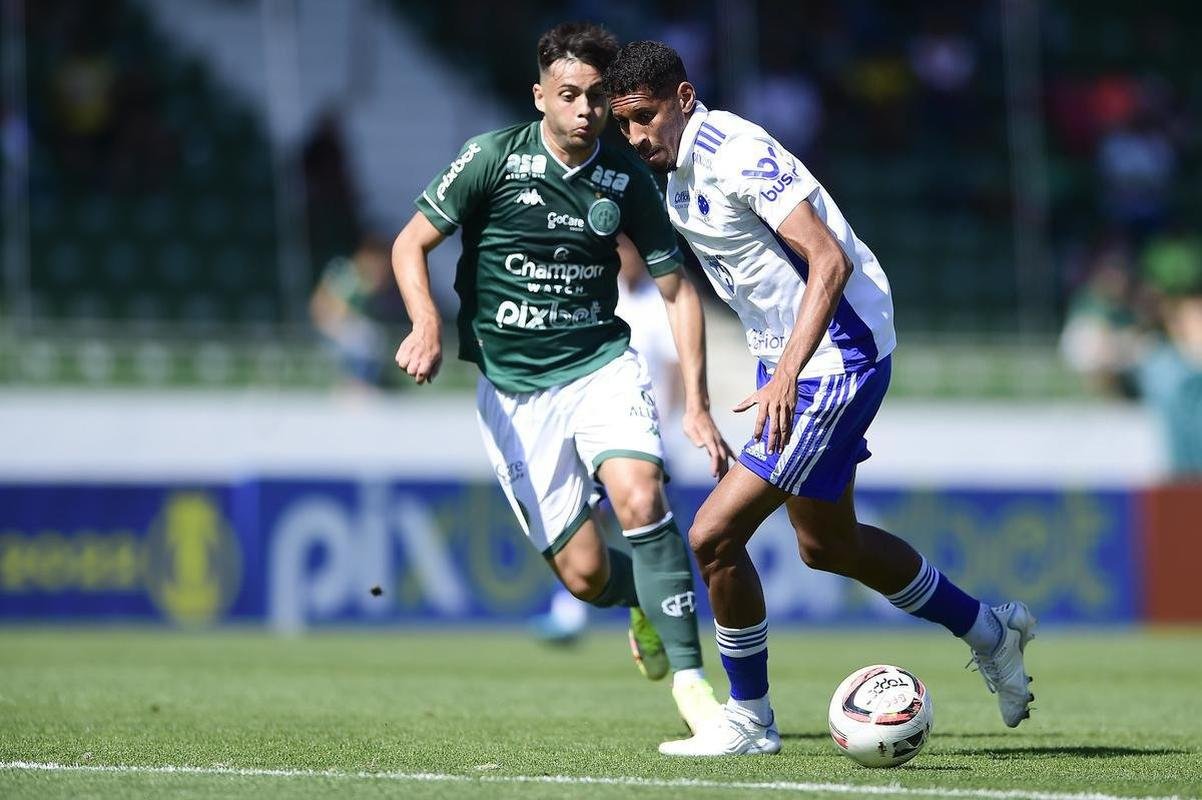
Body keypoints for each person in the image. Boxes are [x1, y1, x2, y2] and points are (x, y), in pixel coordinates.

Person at [604, 41, 1037, 756]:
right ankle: (992, 629)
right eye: (625, 125)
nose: (636, 137)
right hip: (795, 362)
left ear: (683, 98)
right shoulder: (674, 174)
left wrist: (784, 373)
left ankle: (750, 720)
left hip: (838, 358)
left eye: (644, 117)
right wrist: (707, 401)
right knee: (826, 544)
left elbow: (827, 258)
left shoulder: (734, 150)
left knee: (712, 536)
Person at [391, 22, 734, 740]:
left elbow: (678, 292)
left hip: (600, 367)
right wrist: (425, 323)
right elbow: (410, 243)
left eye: (596, 98)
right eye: (569, 94)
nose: (585, 109)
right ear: (540, 94)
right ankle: (641, 602)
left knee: (641, 495)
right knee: (582, 576)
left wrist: (696, 405)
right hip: (514, 390)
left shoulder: (626, 178)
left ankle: (696, 688)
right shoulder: (491, 159)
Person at [531, 235, 685, 644]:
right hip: (601, 428)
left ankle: (643, 608)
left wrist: (672, 423)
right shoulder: (599, 297)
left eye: (630, 252)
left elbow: (675, 372)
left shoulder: (658, 304)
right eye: (618, 252)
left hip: (646, 431)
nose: (624, 260)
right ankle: (606, 608)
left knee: (638, 525)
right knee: (591, 519)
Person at [309, 235, 398, 392]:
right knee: (365, 338)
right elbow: (331, 307)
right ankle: (356, 383)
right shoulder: (348, 272)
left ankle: (363, 382)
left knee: (372, 337)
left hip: (343, 325)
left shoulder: (362, 278)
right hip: (331, 324)